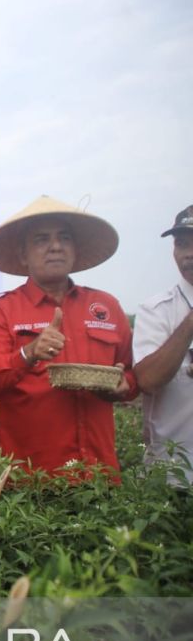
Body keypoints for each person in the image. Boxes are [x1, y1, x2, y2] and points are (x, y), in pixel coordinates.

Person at [0, 195, 136, 476]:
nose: (55, 246)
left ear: (75, 249)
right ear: (23, 255)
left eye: (64, 237)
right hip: (32, 482)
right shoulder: (0, 310)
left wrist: (124, 386)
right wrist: (28, 353)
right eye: (41, 239)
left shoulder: (105, 306)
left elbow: (132, 375)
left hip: (100, 478)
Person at [133, 205, 193, 482]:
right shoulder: (157, 309)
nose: (188, 253)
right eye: (181, 243)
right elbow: (148, 380)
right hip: (172, 478)